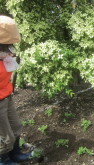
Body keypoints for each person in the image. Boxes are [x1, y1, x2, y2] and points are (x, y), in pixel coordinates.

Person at [0, 15, 33, 164]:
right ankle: (5, 161)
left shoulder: (5, 52)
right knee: (4, 136)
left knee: (16, 127)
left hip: (7, 95)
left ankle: (16, 154)